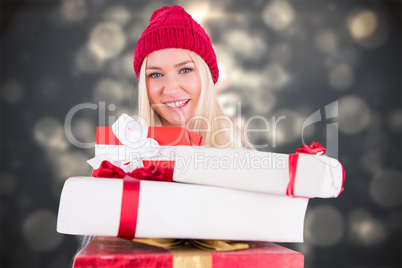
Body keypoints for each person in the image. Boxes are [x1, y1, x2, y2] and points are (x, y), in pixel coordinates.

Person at [133, 5, 253, 150]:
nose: (171, 90)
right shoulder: (120, 160)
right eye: (156, 74)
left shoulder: (246, 161)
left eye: (185, 70)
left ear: (207, 76)